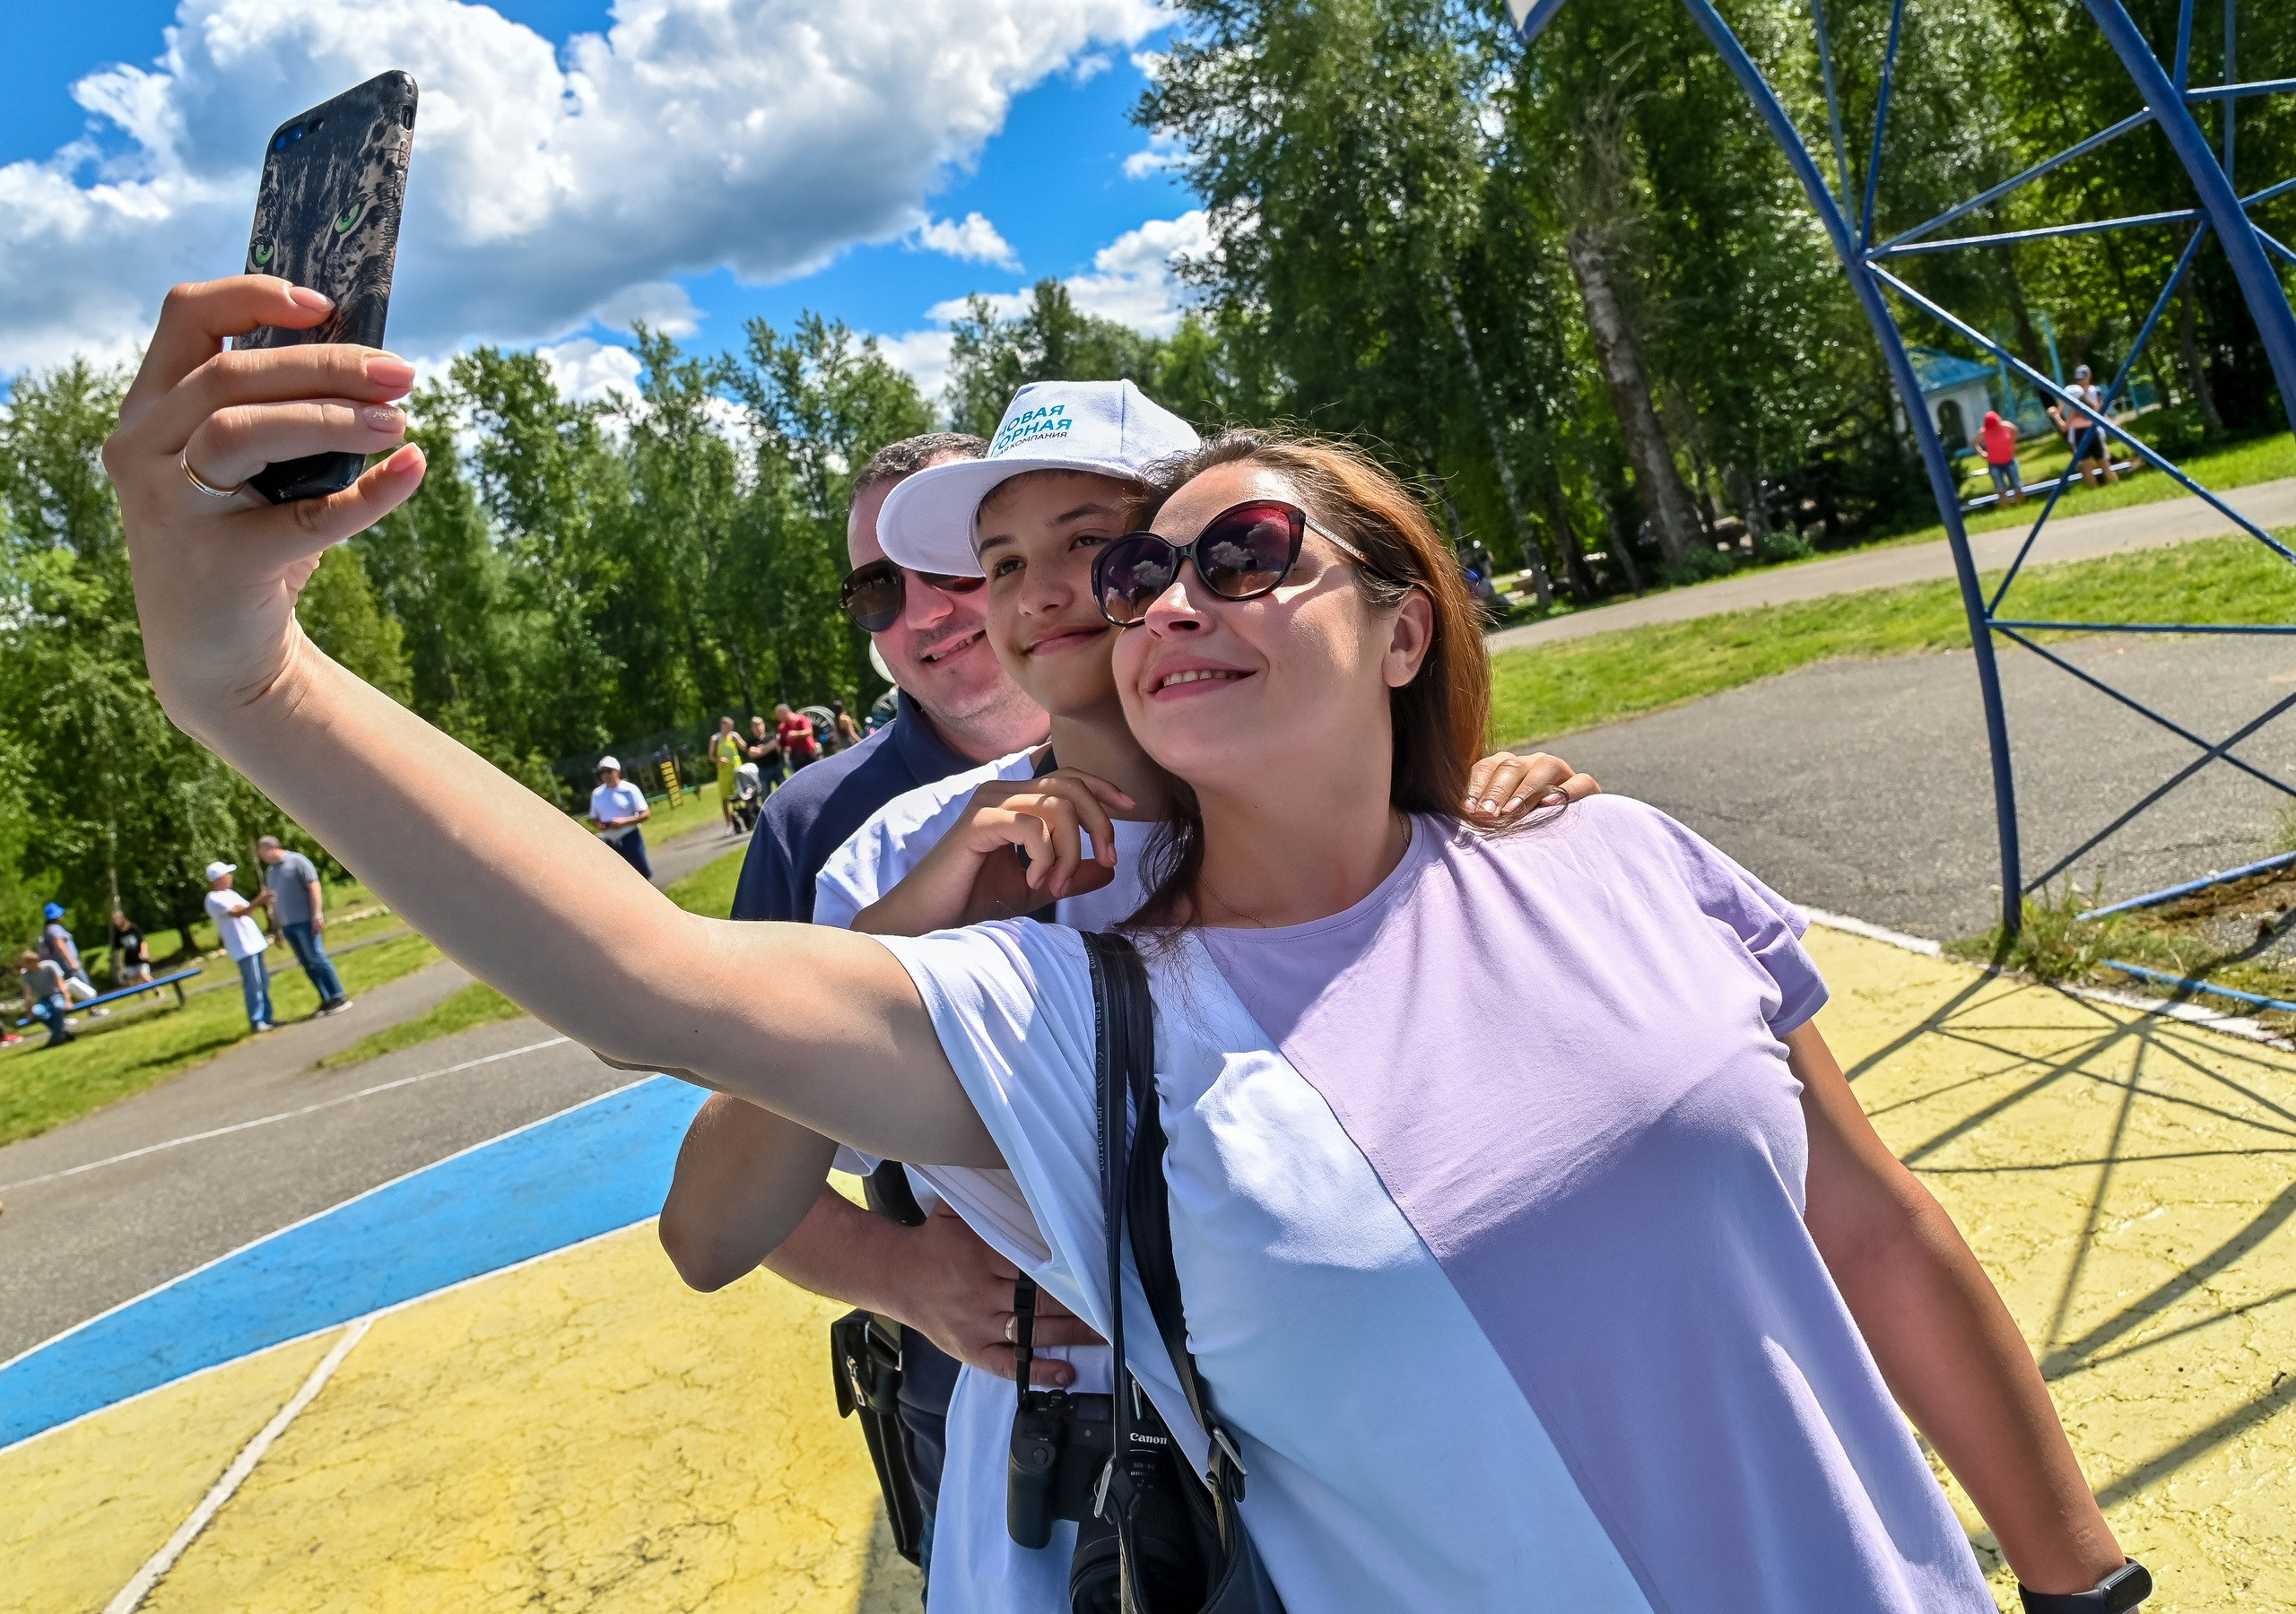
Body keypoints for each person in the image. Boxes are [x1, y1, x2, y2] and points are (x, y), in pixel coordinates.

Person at [111, 276, 2139, 1613]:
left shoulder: (1594, 855)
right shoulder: (1054, 989)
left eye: (1187, 550)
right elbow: (663, 1032)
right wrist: (244, 673)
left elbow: (1872, 1236)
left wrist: (2074, 1580)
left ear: (1395, 618)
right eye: (1040, 568)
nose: (1101, 603)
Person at [668, 380, 1596, 1609]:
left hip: (1382, 1429)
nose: (1035, 596)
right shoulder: (898, 856)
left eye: (1089, 547)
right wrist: (902, 1265)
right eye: (1001, 563)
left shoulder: (1328, 808)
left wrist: (1470, 805)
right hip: (1087, 1496)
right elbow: (711, 1223)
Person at [257, 835, 352, 1015]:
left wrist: (317, 914)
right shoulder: (272, 872)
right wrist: (276, 928)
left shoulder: (297, 861)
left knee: (317, 957)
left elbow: (314, 886)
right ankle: (326, 997)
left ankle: (338, 995)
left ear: (272, 848)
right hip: (288, 924)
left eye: (262, 852)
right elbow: (275, 901)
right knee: (306, 962)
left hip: (305, 920)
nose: (262, 856)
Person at [202, 860, 274, 1034]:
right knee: (253, 983)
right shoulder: (213, 898)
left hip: (254, 942)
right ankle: (257, 1020)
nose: (230, 877)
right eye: (227, 875)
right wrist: (259, 900)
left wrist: (250, 906)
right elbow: (238, 912)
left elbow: (248, 910)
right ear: (218, 879)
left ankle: (267, 1018)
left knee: (263, 981)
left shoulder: (230, 894)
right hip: (242, 946)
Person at [2048, 363, 2120, 490]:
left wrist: (2055, 416)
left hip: (2079, 434)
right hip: (2094, 431)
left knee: (2086, 466)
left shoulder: (2074, 411)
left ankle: (2093, 490)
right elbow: (2099, 410)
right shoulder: (2091, 407)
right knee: (2104, 463)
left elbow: (2064, 427)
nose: (2081, 381)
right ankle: (2116, 487)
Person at [587, 756, 652, 880]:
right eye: (602, 772)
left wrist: (624, 822)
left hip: (630, 837)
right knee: (620, 877)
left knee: (641, 873)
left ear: (617, 771)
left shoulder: (630, 789)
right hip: (611, 840)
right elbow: (594, 818)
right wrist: (599, 825)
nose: (605, 775)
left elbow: (645, 814)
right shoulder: (597, 794)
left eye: (609, 771)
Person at [39, 902, 106, 1014]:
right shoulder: (55, 929)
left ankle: (91, 1009)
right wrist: (72, 961)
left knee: (75, 988)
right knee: (85, 985)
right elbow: (60, 946)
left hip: (62, 965)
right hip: (68, 964)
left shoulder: (48, 930)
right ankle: (93, 1010)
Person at [14, 950, 76, 1047]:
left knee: (58, 1007)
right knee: (37, 1012)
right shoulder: (25, 974)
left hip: (56, 996)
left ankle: (55, 1039)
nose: (24, 967)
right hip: (43, 1000)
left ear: (32, 962)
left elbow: (61, 985)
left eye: (25, 964)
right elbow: (28, 994)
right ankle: (62, 1032)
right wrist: (29, 1012)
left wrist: (68, 1001)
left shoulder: (50, 966)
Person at [1978, 408, 2024, 507]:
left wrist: (2012, 443)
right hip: (1994, 464)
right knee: (2000, 489)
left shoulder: (2005, 426)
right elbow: (1974, 443)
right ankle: (2005, 507)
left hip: (2009, 460)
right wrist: (1981, 452)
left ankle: (2021, 505)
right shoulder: (1984, 432)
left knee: (2017, 485)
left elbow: (2015, 430)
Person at [710, 716, 747, 833]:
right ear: (723, 725)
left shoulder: (734, 736)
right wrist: (719, 759)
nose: (731, 728)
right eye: (728, 725)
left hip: (736, 770)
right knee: (725, 798)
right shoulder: (715, 739)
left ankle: (747, 818)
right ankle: (729, 824)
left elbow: (745, 747)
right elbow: (711, 756)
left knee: (743, 795)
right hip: (723, 773)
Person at [109, 910, 154, 990]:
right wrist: (119, 964)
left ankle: (157, 989)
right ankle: (143, 999)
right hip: (129, 960)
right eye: (115, 920)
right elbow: (117, 949)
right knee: (135, 981)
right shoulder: (117, 933)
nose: (117, 921)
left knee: (144, 975)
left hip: (140, 957)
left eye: (118, 919)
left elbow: (143, 941)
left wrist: (144, 952)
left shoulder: (133, 927)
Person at [775, 702, 820, 774]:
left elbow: (809, 732)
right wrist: (781, 747)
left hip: (809, 754)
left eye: (778, 715)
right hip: (796, 757)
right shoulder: (782, 727)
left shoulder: (801, 719)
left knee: (816, 774)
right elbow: (783, 743)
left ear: (785, 713)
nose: (778, 718)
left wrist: (796, 734)